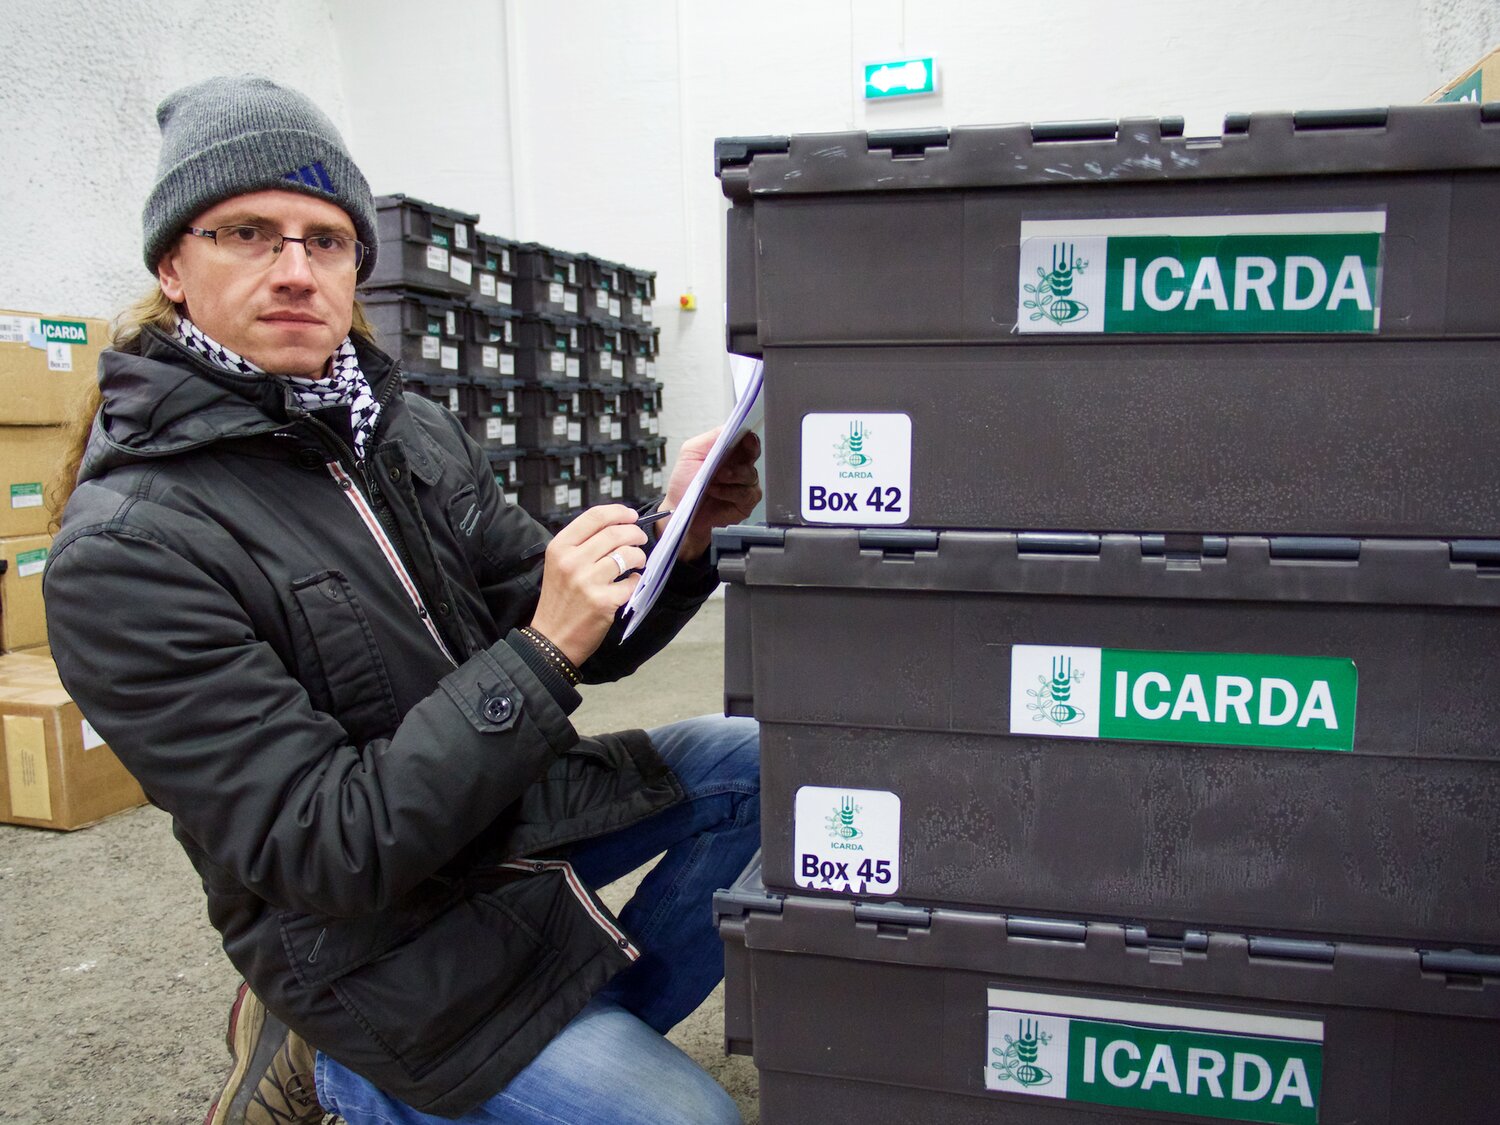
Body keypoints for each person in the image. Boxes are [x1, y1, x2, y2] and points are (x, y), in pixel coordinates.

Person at [43, 75, 762, 1125]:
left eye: (326, 241)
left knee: (766, 772)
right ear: (174, 267)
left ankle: (559, 1033)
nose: (296, 270)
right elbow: (327, 846)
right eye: (250, 233)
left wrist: (681, 542)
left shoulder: (402, 430)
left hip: (494, 816)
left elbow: (566, 626)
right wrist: (539, 656)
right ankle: (348, 1069)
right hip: (359, 933)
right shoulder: (127, 552)